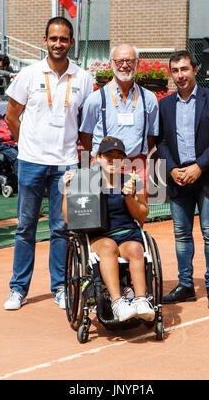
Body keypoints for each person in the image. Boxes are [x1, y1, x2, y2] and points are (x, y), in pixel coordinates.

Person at [3, 16, 93, 311]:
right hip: (30, 162)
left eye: (63, 39)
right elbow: (11, 117)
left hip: (66, 164)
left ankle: (60, 287)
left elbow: (86, 124)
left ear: (71, 42)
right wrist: (26, 145)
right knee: (25, 227)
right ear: (45, 41)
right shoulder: (28, 74)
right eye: (53, 38)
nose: (58, 44)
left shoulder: (84, 78)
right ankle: (18, 289)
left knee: (61, 228)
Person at [156, 50, 209, 310]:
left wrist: (199, 166)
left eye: (184, 69)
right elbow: (162, 141)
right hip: (178, 178)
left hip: (207, 176)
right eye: (175, 71)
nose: (180, 75)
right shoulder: (165, 104)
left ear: (195, 70)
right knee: (181, 234)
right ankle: (186, 286)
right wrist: (171, 170)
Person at [63, 136, 155, 322]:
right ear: (97, 157)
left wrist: (129, 197)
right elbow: (68, 218)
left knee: (137, 249)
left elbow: (143, 215)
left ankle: (141, 301)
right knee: (108, 247)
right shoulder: (85, 181)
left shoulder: (131, 180)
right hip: (100, 238)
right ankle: (118, 303)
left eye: (118, 156)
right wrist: (67, 189)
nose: (113, 160)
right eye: (108, 156)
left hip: (127, 234)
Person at [79, 44, 159, 191]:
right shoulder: (96, 99)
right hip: (104, 166)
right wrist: (105, 157)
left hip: (136, 166)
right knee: (100, 211)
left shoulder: (149, 99)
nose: (124, 65)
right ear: (111, 64)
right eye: (119, 61)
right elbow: (85, 135)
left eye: (129, 61)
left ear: (137, 63)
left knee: (138, 211)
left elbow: (151, 136)